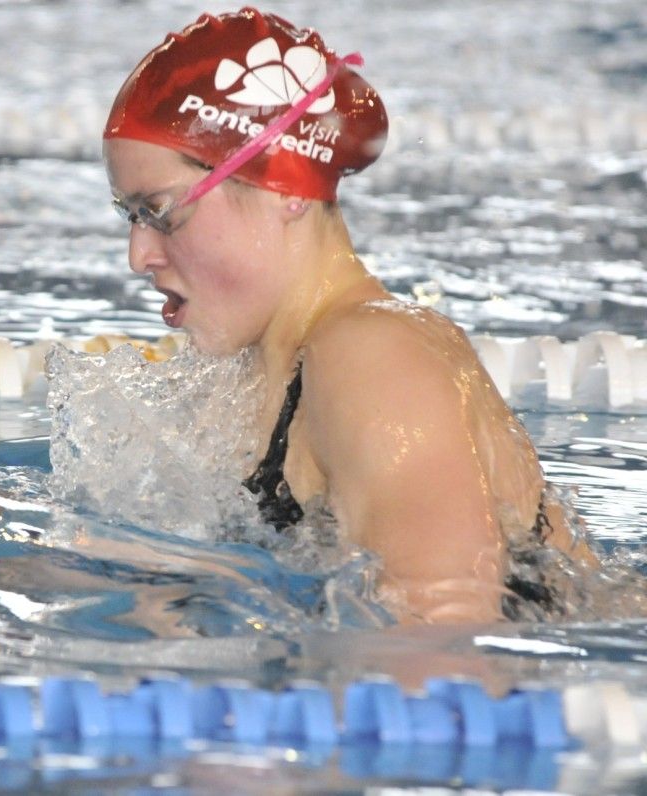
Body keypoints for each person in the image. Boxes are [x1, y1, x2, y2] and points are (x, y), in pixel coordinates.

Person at [102, 7, 596, 623]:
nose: (138, 255)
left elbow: (440, 658)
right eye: (129, 216)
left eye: (159, 211)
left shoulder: (374, 358)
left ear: (284, 188)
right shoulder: (269, 368)